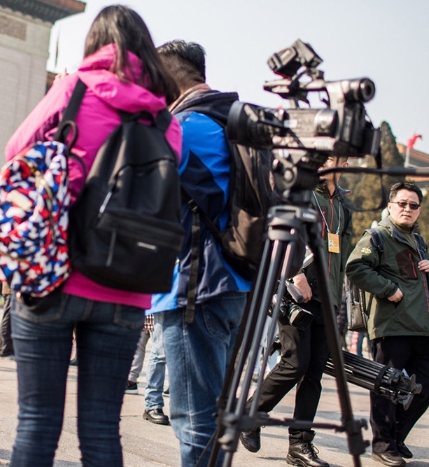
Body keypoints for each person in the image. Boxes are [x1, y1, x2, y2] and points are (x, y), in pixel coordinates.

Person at [3, 6, 181, 465]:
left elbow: (16, 150)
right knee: (103, 429)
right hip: (126, 286)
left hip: (54, 273)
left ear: (95, 44)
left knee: (37, 423)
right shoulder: (166, 121)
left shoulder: (73, 91)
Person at [154, 40, 250, 466]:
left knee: (194, 420)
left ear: (172, 75)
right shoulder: (229, 120)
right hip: (235, 280)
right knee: (211, 414)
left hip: (195, 285)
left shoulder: (186, 126)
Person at [239, 156, 352, 467]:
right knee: (294, 363)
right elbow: (278, 237)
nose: (330, 163)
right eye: (325, 157)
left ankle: (299, 445)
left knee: (314, 372)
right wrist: (292, 275)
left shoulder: (341, 204)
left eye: (336, 158)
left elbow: (343, 252)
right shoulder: (300, 193)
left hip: (329, 299)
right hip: (297, 294)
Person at [346, 182, 429, 467]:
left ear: (419, 211)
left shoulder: (418, 241)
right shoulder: (378, 235)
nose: (408, 209)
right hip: (391, 325)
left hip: (421, 325)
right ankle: (383, 445)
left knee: (425, 384)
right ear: (391, 206)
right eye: (402, 203)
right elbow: (355, 267)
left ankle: (395, 436)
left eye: (413, 205)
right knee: (386, 386)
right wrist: (387, 289)